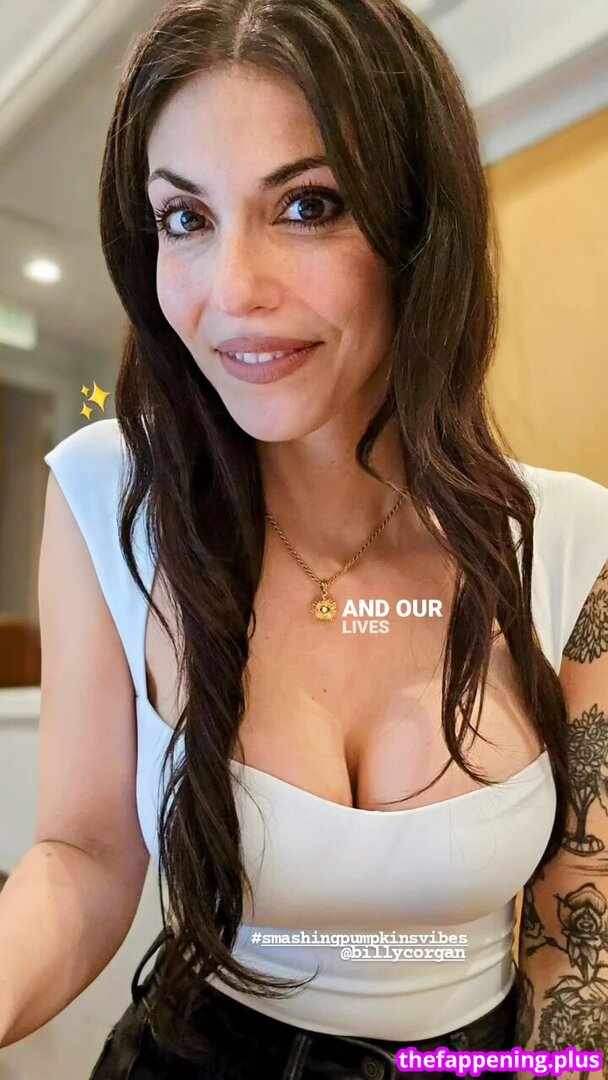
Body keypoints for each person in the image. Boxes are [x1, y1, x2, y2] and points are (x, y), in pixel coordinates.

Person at [1, 0, 607, 1077]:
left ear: (420, 230)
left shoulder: (569, 542)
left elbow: (581, 919)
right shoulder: (109, 494)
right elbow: (83, 854)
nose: (232, 291)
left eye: (308, 205)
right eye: (184, 218)